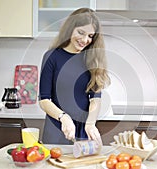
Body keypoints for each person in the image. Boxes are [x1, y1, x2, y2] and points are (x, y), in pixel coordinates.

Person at [39, 8, 110, 145]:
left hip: (83, 130)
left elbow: (95, 98)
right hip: (56, 127)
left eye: (90, 36)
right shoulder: (52, 57)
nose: (85, 40)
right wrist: (64, 118)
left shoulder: (92, 59)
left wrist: (90, 123)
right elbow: (44, 100)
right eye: (81, 33)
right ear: (70, 29)